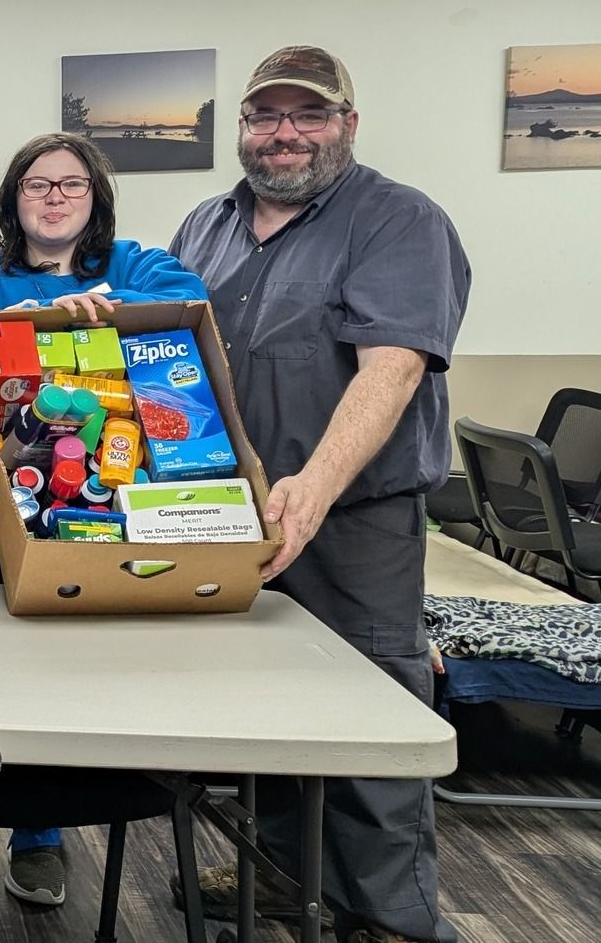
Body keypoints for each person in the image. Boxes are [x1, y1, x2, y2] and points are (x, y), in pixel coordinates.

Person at [170, 47, 469, 943]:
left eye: (308, 114)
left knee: (371, 717)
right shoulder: (205, 225)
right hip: (225, 515)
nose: (285, 132)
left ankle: (389, 916)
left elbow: (394, 366)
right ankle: (280, 869)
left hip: (352, 516)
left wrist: (314, 486)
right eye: (267, 116)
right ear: (243, 129)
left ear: (347, 123)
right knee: (257, 713)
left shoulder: (399, 220)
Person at [0, 130, 206, 909]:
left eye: (72, 184)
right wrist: (19, 320)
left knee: (84, 669)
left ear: (97, 199)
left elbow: (189, 308)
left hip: (110, 506)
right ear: (12, 199)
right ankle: (27, 831)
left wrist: (100, 314)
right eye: (36, 184)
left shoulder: (138, 264)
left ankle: (61, 816)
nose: (54, 196)